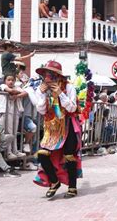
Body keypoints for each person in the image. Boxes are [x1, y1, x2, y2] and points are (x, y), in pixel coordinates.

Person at [33, 60, 82, 198]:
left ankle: (72, 187)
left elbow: (72, 107)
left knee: (69, 155)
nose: (48, 78)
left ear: (58, 76)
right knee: (42, 153)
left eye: (51, 74)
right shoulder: (40, 89)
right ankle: (54, 182)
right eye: (46, 74)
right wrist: (42, 95)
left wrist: (60, 93)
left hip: (68, 124)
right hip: (51, 127)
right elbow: (41, 110)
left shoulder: (69, 87)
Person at [0, 74, 26, 159]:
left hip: (15, 112)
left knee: (14, 132)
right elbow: (11, 91)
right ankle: (8, 152)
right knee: (8, 133)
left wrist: (16, 96)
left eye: (12, 80)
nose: (10, 81)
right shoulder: (2, 85)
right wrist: (16, 92)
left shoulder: (16, 87)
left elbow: (25, 93)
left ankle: (15, 151)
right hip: (5, 112)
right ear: (5, 80)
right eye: (8, 80)